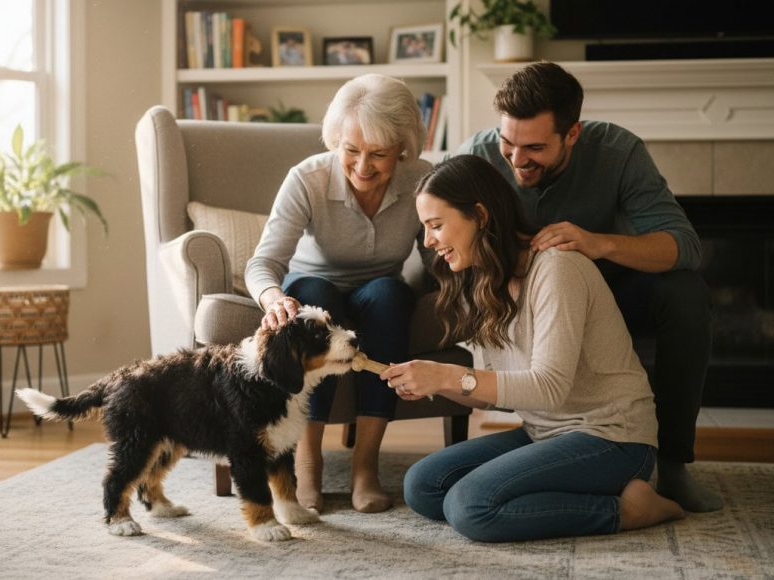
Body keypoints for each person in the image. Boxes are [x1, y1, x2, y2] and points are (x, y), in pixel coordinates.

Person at [454, 61, 721, 513]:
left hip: (613, 292)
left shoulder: (618, 151)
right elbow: (433, 241)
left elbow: (685, 246)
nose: (517, 161)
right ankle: (555, 449)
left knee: (687, 294)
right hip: (521, 297)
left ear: (573, 134)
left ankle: (673, 465)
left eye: (535, 147)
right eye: (508, 143)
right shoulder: (477, 155)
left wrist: (599, 243)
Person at [380, 154, 685, 543]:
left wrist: (447, 375)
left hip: (612, 437)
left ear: (480, 215)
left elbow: (549, 387)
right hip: (545, 432)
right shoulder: (483, 280)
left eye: (436, 225)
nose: (428, 241)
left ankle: (627, 509)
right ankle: (569, 489)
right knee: (422, 485)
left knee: (469, 507)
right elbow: (495, 397)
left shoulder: (558, 269)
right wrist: (435, 384)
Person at [245, 73, 431, 514]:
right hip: (314, 292)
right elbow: (263, 263)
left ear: (403, 148)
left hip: (376, 297)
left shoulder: (423, 180)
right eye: (351, 151)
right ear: (336, 142)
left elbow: (438, 253)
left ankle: (365, 467)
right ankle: (306, 463)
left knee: (390, 293)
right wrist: (274, 299)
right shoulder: (306, 179)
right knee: (315, 292)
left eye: (379, 154)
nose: (363, 166)